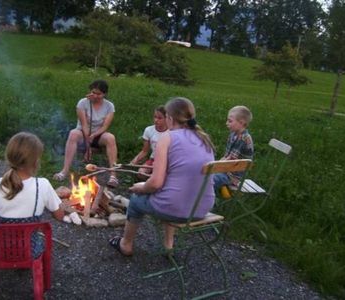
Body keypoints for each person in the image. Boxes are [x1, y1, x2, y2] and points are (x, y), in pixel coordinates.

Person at [109, 97, 215, 256]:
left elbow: (156, 183)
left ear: (169, 118)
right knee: (172, 193)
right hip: (202, 208)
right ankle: (168, 246)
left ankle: (126, 244)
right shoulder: (204, 139)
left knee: (136, 200)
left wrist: (142, 187)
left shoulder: (167, 138)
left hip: (175, 209)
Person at [0, 132, 64, 258]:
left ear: (9, 156)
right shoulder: (43, 185)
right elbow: (59, 216)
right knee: (39, 240)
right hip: (30, 250)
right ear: (35, 161)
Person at [53, 79, 118, 187]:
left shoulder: (109, 106)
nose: (95, 96)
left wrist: (94, 135)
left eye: (99, 94)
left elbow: (105, 126)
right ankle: (64, 171)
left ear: (105, 94)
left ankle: (113, 175)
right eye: (93, 92)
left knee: (110, 138)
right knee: (73, 133)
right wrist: (88, 146)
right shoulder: (83, 103)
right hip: (83, 133)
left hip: (99, 134)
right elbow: (84, 125)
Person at [213, 105, 254, 195]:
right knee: (203, 176)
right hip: (226, 170)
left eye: (230, 121)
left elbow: (231, 161)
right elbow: (227, 156)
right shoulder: (233, 134)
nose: (226, 123)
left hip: (233, 176)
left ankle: (208, 202)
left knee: (208, 181)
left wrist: (216, 166)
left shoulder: (244, 138)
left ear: (242, 123)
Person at [130, 105, 168, 176]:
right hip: (154, 159)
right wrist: (134, 161)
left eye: (160, 118)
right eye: (155, 117)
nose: (156, 120)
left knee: (162, 176)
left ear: (167, 119)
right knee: (141, 173)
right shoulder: (149, 130)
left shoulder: (172, 132)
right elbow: (145, 151)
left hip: (168, 161)